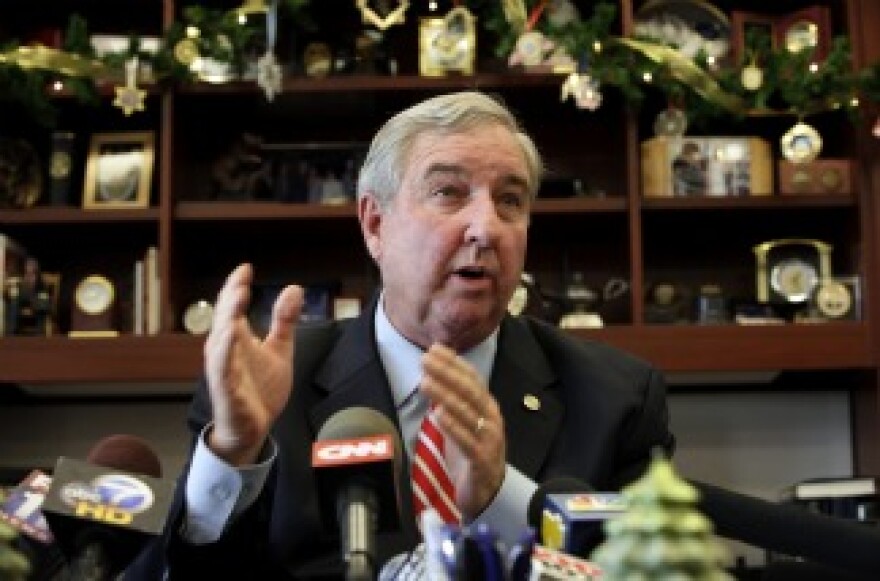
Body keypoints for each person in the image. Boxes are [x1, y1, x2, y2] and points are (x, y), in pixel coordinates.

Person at [126, 91, 674, 579]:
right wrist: (233, 454)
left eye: (510, 200)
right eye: (449, 193)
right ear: (374, 224)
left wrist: (500, 502)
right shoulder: (272, 390)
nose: (486, 228)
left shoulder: (616, 399)